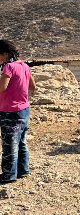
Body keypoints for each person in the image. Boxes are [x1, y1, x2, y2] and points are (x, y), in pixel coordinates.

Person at [0, 40, 36, 184]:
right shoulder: (24, 66)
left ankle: (8, 175)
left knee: (9, 144)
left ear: (6, 54)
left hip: (10, 112)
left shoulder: (8, 67)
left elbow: (2, 87)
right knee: (21, 142)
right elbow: (32, 86)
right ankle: (23, 170)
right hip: (24, 110)